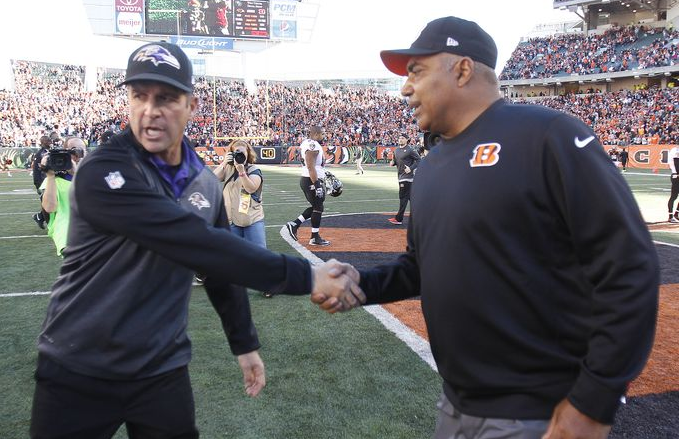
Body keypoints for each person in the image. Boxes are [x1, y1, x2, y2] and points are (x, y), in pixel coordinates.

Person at [314, 16, 659, 439]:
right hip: (456, 406)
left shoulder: (547, 135)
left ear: (462, 69)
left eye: (416, 72)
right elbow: (419, 268)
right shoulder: (432, 164)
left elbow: (631, 267)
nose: (405, 89)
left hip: (537, 413)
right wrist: (360, 284)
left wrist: (593, 405)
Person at [29, 42, 364, 439]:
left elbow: (219, 263)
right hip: (78, 363)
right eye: (140, 95)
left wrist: (243, 342)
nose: (151, 109)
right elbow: (190, 240)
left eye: (166, 97)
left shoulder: (204, 179)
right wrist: (307, 276)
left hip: (160, 367)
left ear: (190, 104)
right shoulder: (102, 170)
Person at [212, 139, 272, 297]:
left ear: (248, 154)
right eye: (235, 153)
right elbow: (211, 179)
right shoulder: (228, 168)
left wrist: (241, 170)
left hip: (252, 219)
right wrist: (225, 163)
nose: (239, 156)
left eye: (241, 153)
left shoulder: (254, 169)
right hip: (232, 220)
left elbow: (251, 187)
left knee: (259, 253)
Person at [39, 137, 86, 256]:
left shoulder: (92, 174)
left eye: (81, 151)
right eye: (73, 152)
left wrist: (76, 174)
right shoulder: (55, 180)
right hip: (69, 238)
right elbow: (50, 208)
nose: (77, 156)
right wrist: (50, 175)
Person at [285, 125, 331, 246]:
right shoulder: (313, 145)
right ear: (316, 134)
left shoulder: (306, 143)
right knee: (318, 207)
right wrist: (317, 184)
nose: (324, 136)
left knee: (317, 206)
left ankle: (295, 225)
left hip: (309, 178)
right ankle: (313, 237)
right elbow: (310, 166)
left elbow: (315, 166)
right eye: (322, 133)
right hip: (310, 180)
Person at [388, 134, 420, 225]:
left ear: (407, 140)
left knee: (403, 197)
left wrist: (411, 168)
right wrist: (392, 163)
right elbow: (395, 161)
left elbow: (419, 160)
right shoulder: (396, 150)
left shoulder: (410, 150)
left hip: (407, 178)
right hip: (400, 176)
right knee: (411, 198)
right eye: (399, 138)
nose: (400, 139)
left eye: (402, 138)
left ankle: (399, 219)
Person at [31, 135, 52, 229]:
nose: (50, 141)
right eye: (48, 140)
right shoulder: (40, 154)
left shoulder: (48, 152)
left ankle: (39, 217)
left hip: (49, 180)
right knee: (48, 203)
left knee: (52, 202)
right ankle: (44, 219)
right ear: (43, 142)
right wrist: (37, 184)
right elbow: (36, 170)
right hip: (43, 182)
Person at [667, 145, 679, 223]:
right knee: (673, 196)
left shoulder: (674, 150)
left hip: (675, 175)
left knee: (673, 196)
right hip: (676, 175)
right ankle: (671, 216)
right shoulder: (676, 151)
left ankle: (676, 214)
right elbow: (676, 163)